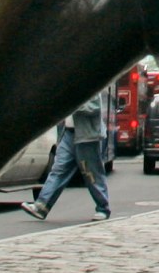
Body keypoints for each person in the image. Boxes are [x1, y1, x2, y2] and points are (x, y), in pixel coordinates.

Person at [24, 87, 113, 221]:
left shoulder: (90, 84)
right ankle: (42, 205)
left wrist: (73, 105)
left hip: (87, 136)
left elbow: (94, 107)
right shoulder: (70, 84)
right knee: (58, 169)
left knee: (91, 172)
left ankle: (103, 208)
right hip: (68, 133)